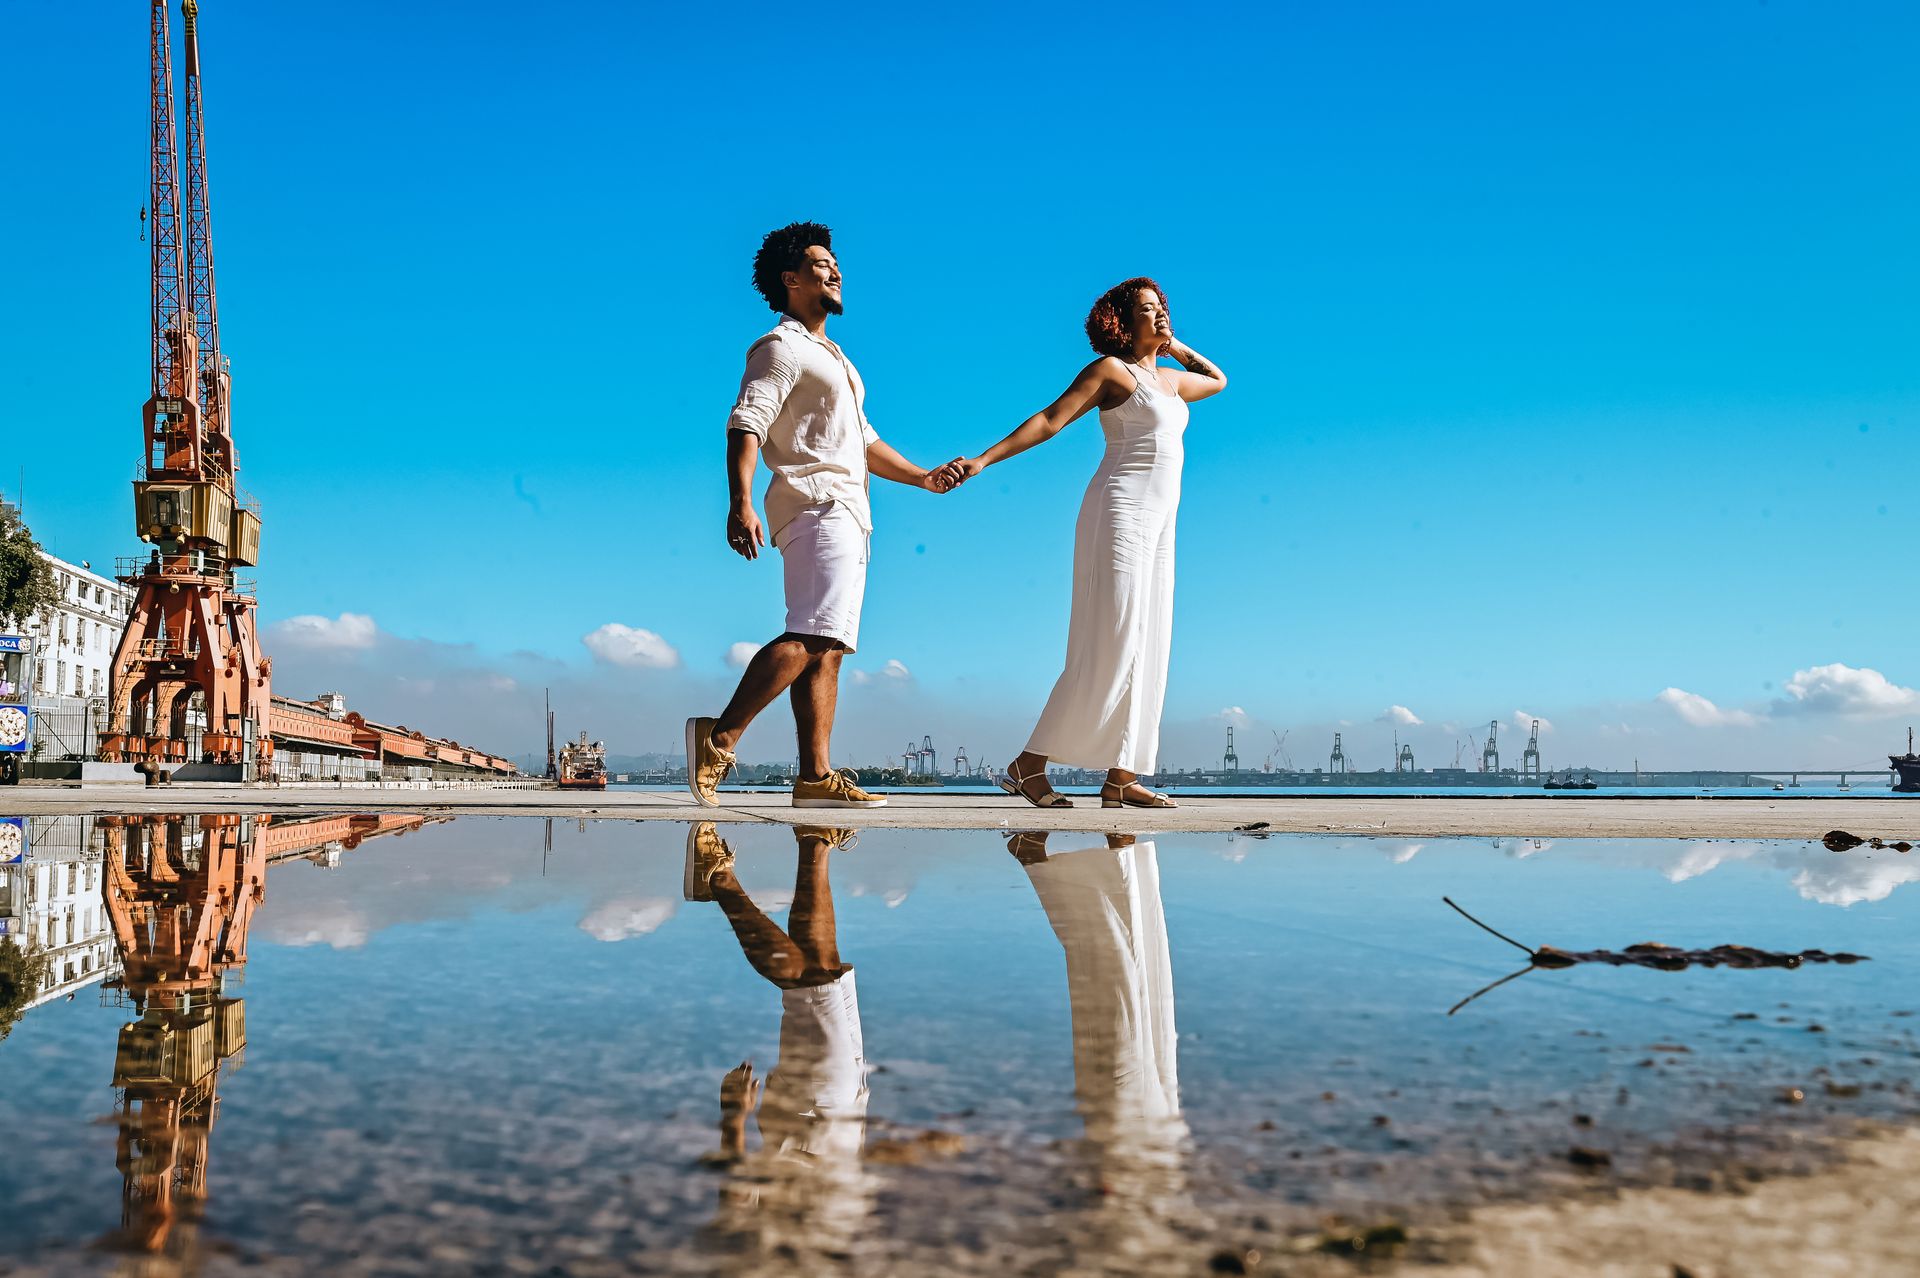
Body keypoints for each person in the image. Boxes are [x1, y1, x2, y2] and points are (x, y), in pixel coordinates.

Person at [686, 223, 966, 810]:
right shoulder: (780, 347)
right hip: (816, 503)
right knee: (812, 632)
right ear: (791, 280)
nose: (835, 272)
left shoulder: (835, 359)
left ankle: (815, 776)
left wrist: (921, 477)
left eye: (835, 264)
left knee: (830, 645)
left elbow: (862, 441)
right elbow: (746, 422)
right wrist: (738, 501)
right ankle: (718, 738)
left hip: (849, 511)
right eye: (820, 265)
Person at [956, 279, 1226, 808]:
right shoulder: (1110, 372)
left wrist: (1174, 347)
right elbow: (1049, 420)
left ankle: (1121, 776)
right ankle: (1028, 764)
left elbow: (1217, 379)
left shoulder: (1171, 381)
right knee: (1113, 636)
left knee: (1151, 640)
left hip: (1161, 521)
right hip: (1119, 512)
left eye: (1162, 308)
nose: (1160, 315)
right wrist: (983, 460)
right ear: (1123, 322)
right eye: (1147, 310)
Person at [687, 822, 874, 1261]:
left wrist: (733, 1120)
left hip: (812, 1121)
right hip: (842, 1118)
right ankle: (815, 840)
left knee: (808, 986)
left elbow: (735, 1205)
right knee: (825, 970)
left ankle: (719, 881)